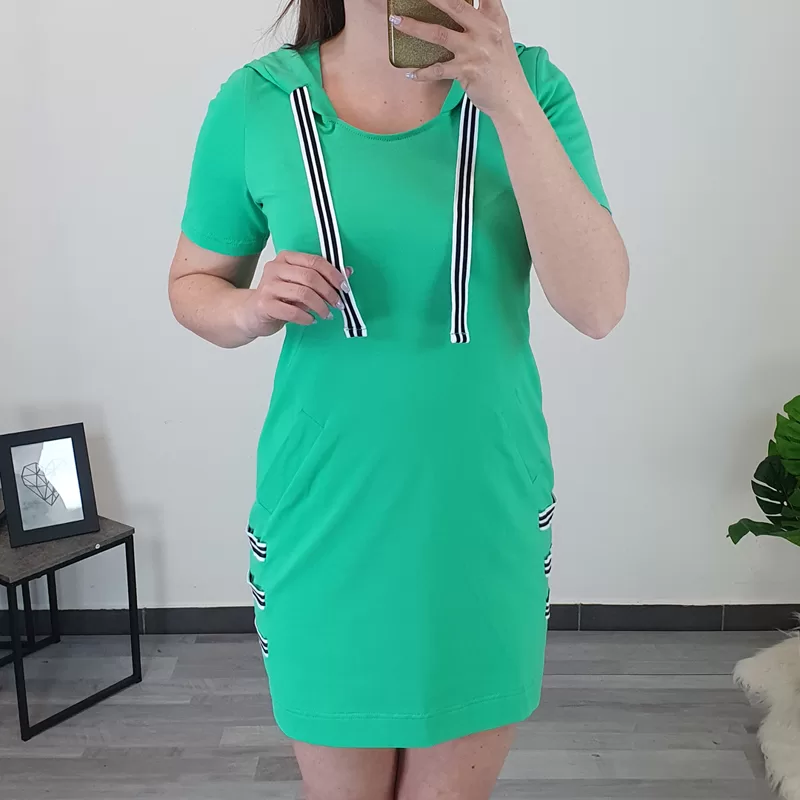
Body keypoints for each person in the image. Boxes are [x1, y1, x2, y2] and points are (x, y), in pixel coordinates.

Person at [168, 0, 629, 796]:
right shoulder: (258, 103)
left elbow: (598, 307)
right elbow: (192, 284)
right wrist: (251, 307)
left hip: (482, 521)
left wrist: (507, 98)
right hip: (323, 522)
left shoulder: (533, 88)